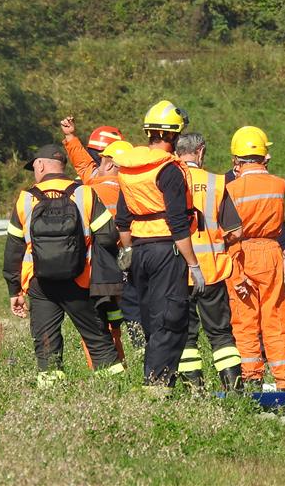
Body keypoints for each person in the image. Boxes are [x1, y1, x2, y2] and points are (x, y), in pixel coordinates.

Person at [3, 144, 124, 386]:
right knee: (98, 339)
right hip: (80, 280)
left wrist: (14, 290)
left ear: (40, 165)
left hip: (40, 285)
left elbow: (13, 249)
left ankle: (52, 396)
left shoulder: (25, 199)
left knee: (46, 341)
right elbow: (108, 237)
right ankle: (114, 391)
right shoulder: (84, 194)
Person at [114, 100, 205, 391]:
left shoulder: (128, 170)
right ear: (172, 136)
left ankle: (158, 380)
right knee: (170, 319)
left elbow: (123, 221)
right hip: (167, 251)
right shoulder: (169, 170)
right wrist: (194, 265)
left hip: (139, 251)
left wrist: (127, 255)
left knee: (152, 318)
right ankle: (156, 386)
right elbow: (178, 224)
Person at [225, 126, 285, 391]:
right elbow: (279, 223)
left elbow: (227, 231)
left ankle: (251, 377)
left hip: (241, 252)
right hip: (271, 252)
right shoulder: (278, 184)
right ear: (264, 156)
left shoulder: (231, 190)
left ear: (236, 159)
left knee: (245, 319)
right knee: (277, 317)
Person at [60, 116, 144, 351]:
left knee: (105, 311)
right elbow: (86, 166)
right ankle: (141, 346)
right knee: (133, 307)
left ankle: (111, 351)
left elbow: (84, 167)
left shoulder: (89, 190)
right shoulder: (135, 189)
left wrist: (70, 137)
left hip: (102, 261)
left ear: (107, 164)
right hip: (132, 255)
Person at [174, 132, 244, 391]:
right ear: (200, 151)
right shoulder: (216, 182)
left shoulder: (167, 180)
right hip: (212, 271)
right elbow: (235, 230)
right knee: (221, 334)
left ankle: (195, 392)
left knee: (186, 337)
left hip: (179, 272)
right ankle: (234, 391)